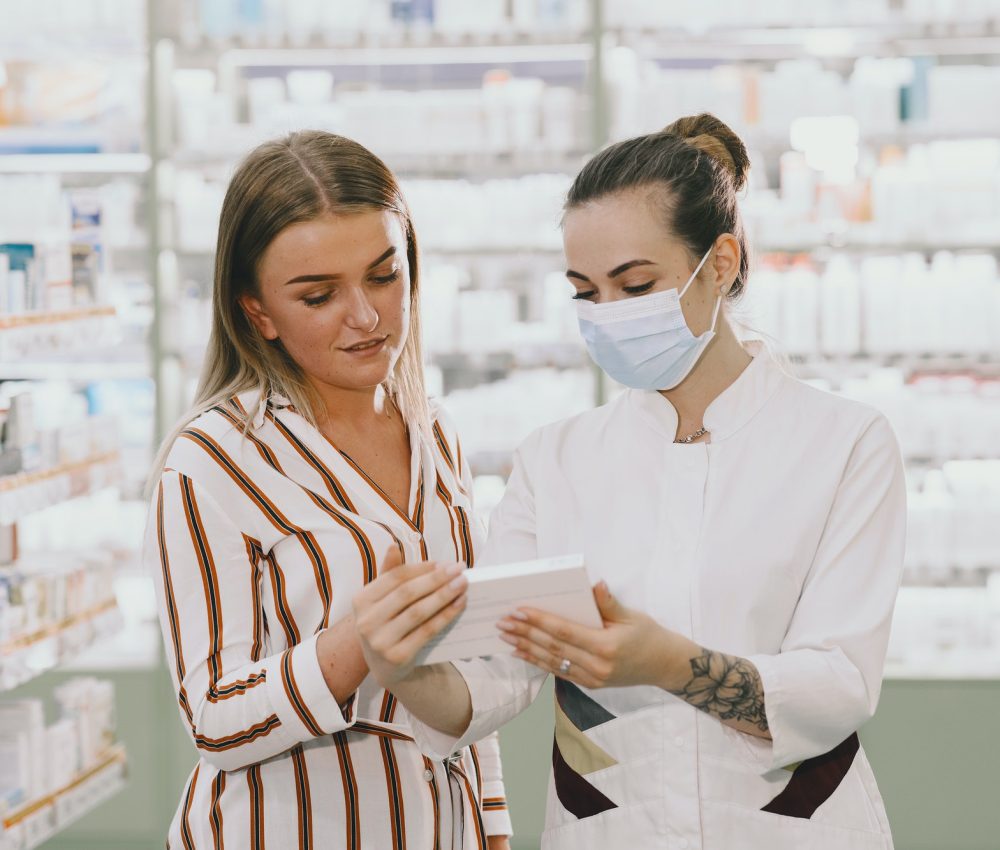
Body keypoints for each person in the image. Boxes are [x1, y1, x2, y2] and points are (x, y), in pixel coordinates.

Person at [352, 113, 907, 850]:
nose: (608, 317)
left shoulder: (843, 444)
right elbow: (495, 675)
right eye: (586, 292)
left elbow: (839, 684)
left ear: (719, 263)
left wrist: (668, 664)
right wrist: (402, 668)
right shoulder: (557, 461)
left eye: (635, 284)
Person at [143, 131, 512, 850]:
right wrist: (357, 647)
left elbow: (468, 675)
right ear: (258, 313)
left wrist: (490, 826)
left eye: (385, 275)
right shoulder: (212, 461)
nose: (367, 317)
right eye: (319, 295)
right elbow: (213, 716)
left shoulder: (434, 431)